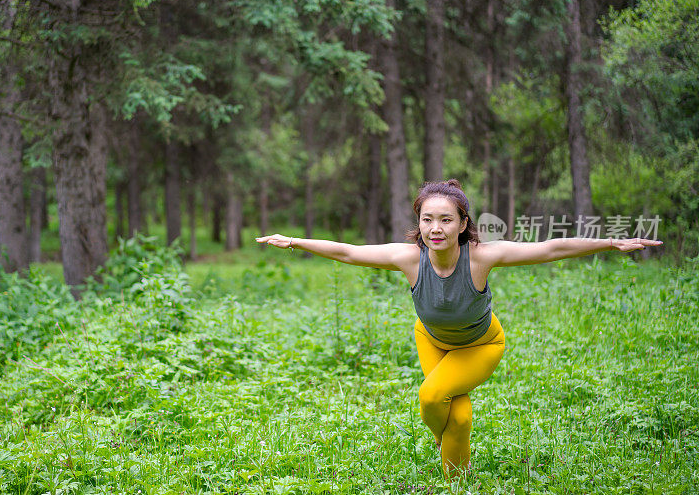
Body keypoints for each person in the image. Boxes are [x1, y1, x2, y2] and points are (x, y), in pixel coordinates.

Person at [256, 179, 663, 479]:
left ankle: (450, 466)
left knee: (434, 394)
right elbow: (346, 252)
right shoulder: (409, 258)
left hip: (482, 345)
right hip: (431, 339)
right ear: (419, 222)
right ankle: (457, 478)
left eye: (446, 220)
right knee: (460, 416)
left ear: (463, 222)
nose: (436, 228)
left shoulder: (482, 258)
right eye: (427, 219)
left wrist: (611, 244)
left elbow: (550, 248)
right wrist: (293, 240)